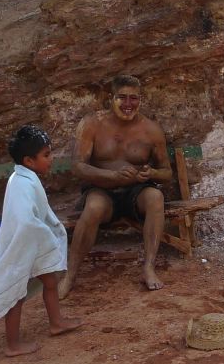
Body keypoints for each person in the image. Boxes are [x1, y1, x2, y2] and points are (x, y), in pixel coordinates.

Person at [0, 125, 82, 356]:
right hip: (22, 247)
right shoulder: (20, 183)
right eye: (46, 155)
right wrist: (43, 235)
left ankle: (56, 322)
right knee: (16, 294)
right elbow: (24, 221)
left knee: (50, 281)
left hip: (31, 244)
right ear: (29, 161)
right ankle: (13, 345)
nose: (51, 159)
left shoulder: (26, 178)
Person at [59, 75, 173, 296]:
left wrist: (152, 173)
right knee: (93, 208)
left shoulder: (151, 129)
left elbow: (166, 173)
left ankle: (148, 267)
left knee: (156, 198)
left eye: (134, 98)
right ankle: (70, 275)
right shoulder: (92, 124)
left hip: (136, 191)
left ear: (141, 99)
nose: (128, 104)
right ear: (111, 98)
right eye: (122, 98)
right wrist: (112, 176)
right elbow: (78, 166)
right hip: (102, 189)